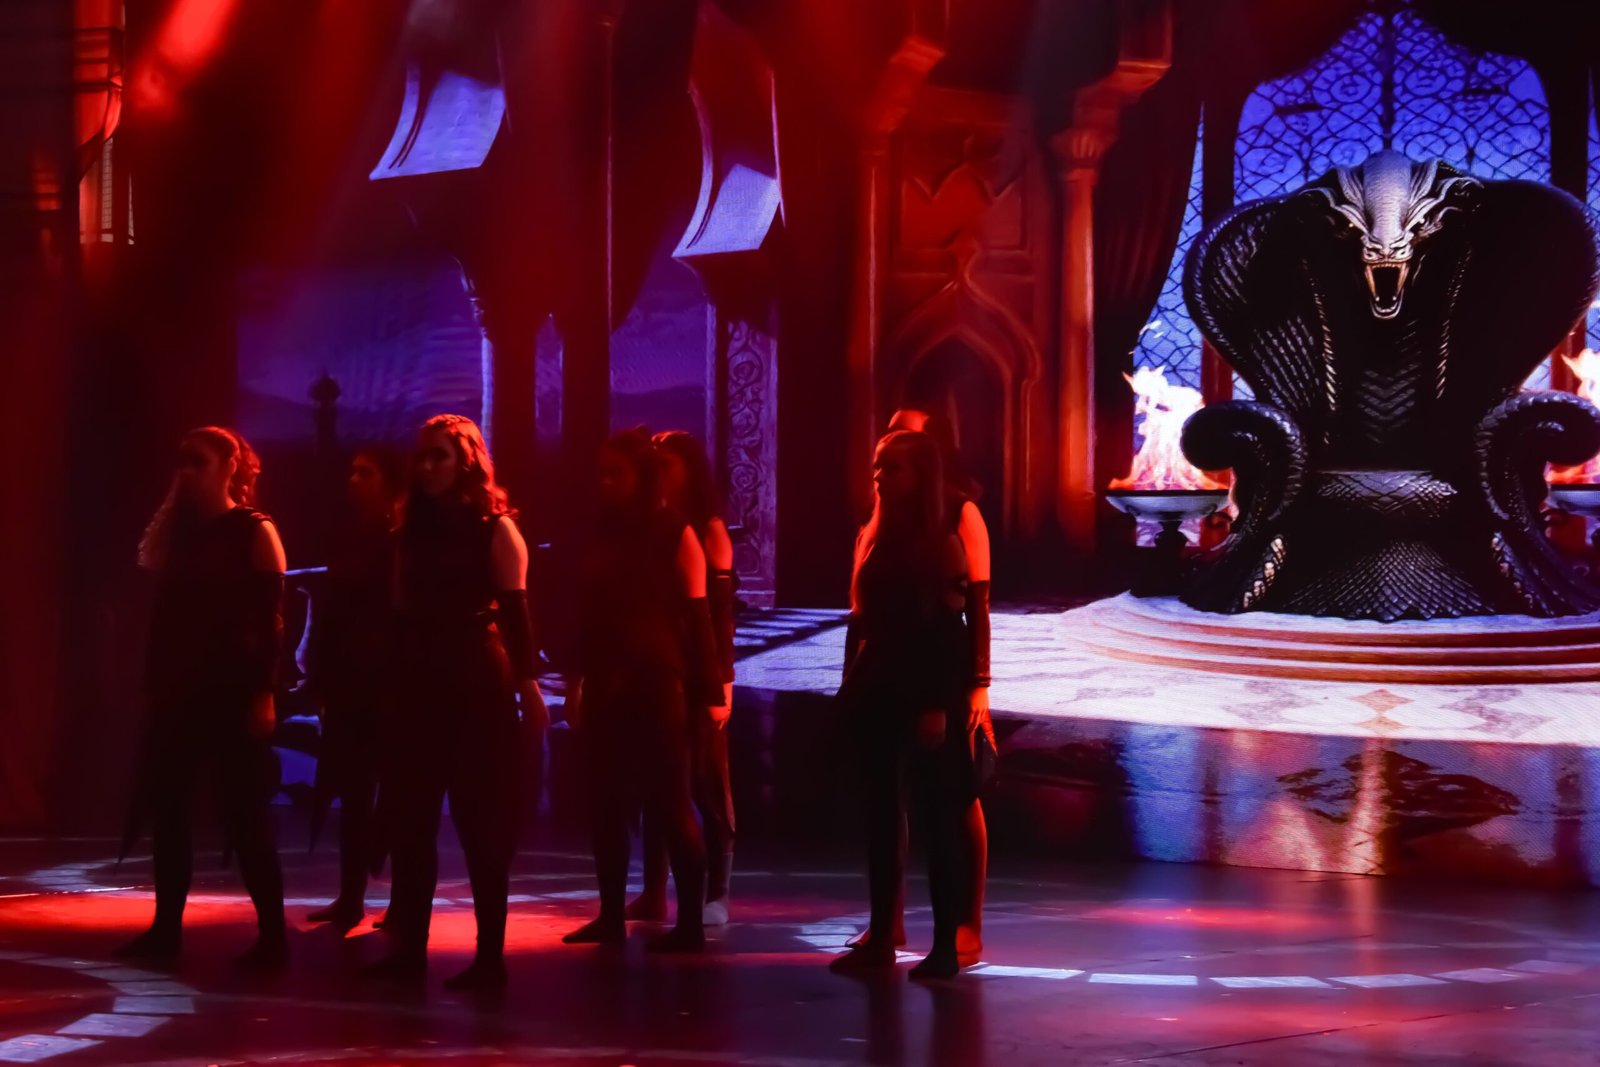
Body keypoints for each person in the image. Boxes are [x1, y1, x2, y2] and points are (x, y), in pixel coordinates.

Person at [367, 415, 547, 990]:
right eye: (422, 456)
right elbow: (399, 612)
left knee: (480, 824)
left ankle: (490, 959)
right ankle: (409, 951)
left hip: (474, 677)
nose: (426, 466)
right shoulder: (410, 528)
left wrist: (529, 688)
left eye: (439, 456)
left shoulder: (495, 527)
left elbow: (516, 615)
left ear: (466, 461)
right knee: (412, 820)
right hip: (419, 679)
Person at [118, 426, 289, 970]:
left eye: (198, 461)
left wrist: (263, 693)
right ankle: (166, 929)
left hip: (232, 690)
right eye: (182, 461)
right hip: (182, 691)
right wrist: (153, 687)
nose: (186, 471)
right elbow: (165, 620)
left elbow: (271, 623)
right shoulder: (184, 532)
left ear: (229, 465)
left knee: (245, 814)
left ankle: (273, 938)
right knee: (170, 810)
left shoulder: (255, 530)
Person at [561, 429, 726, 953]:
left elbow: (699, 617)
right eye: (602, 473)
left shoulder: (675, 531)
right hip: (607, 682)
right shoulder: (599, 531)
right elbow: (585, 615)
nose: (606, 483)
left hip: (658, 685)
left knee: (672, 805)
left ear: (643, 476)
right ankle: (611, 916)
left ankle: (691, 926)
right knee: (607, 807)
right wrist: (575, 681)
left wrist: (713, 692)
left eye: (617, 473)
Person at [830, 429, 977, 981]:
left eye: (892, 467)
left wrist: (937, 704)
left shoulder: (941, 541)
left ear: (920, 477)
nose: (879, 475)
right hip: (880, 689)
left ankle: (944, 946)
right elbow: (864, 623)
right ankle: (881, 936)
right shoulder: (877, 536)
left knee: (936, 818)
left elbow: (949, 632)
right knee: (880, 816)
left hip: (922, 694)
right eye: (877, 465)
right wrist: (850, 686)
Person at [876, 407, 994, 965]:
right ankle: (888, 922)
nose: (891, 448)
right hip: (891, 676)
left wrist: (979, 685)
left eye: (905, 439)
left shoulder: (959, 512)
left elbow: (976, 606)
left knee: (956, 795)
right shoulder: (884, 514)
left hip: (945, 678)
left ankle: (966, 924)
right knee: (888, 796)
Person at [626, 431, 737, 927]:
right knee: (659, 781)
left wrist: (721, 682)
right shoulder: (652, 525)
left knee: (707, 783)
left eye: (668, 465)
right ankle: (653, 891)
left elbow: (719, 615)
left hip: (701, 668)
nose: (661, 474)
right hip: (664, 668)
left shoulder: (708, 529)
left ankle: (718, 893)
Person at [304, 446, 405, 931]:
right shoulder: (348, 537)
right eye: (352, 470)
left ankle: (397, 901)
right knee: (354, 793)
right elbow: (331, 615)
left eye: (366, 472)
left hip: (385, 683)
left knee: (394, 795)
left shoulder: (399, 540)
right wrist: (322, 678)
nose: (354, 479)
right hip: (349, 681)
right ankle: (351, 897)